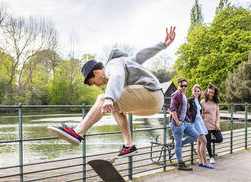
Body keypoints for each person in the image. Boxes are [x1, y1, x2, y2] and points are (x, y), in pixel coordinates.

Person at [48, 26, 176, 157]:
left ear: (96, 72)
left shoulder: (111, 66)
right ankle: (129, 145)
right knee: (115, 107)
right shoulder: (124, 62)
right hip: (153, 102)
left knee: (103, 98)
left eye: (93, 82)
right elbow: (142, 55)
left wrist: (108, 98)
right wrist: (164, 44)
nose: (97, 85)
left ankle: (78, 132)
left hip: (150, 94)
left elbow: (117, 76)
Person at [169, 78, 199, 171]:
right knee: (178, 145)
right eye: (182, 86)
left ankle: (179, 145)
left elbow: (184, 109)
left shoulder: (183, 95)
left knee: (195, 135)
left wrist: (187, 120)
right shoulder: (176, 95)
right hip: (177, 124)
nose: (184, 87)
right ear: (178, 85)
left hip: (184, 122)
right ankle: (181, 164)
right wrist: (177, 121)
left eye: (185, 86)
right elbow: (172, 109)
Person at [188, 84, 213, 169]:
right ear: (192, 91)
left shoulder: (198, 101)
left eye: (198, 91)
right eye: (195, 91)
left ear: (200, 92)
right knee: (204, 141)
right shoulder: (190, 100)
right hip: (195, 122)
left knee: (199, 142)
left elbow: (199, 112)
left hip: (200, 121)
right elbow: (186, 111)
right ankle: (205, 162)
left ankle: (201, 161)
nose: (196, 92)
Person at [201, 83, 223, 164]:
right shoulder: (202, 102)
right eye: (209, 92)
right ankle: (211, 157)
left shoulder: (216, 102)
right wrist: (203, 113)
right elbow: (200, 114)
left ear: (214, 94)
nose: (210, 94)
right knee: (208, 143)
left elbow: (218, 114)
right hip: (205, 125)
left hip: (214, 125)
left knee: (220, 139)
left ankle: (209, 141)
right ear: (206, 92)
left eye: (212, 93)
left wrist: (217, 123)